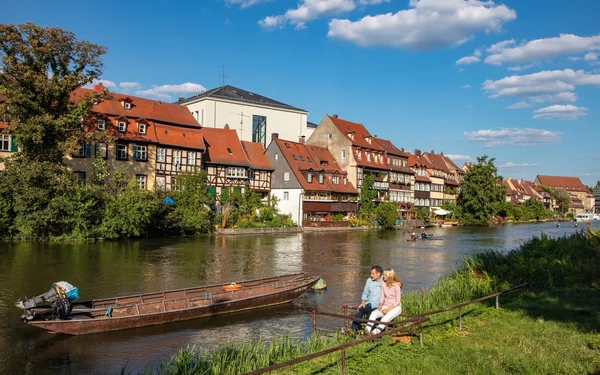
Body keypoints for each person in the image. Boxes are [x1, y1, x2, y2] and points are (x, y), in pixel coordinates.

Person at [365, 268, 402, 335]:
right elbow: (382, 296)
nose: (383, 276)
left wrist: (388, 310)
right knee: (374, 313)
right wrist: (380, 304)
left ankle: (375, 333)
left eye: (385, 275)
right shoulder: (383, 284)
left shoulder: (396, 286)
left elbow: (397, 301)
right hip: (385, 305)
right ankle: (367, 330)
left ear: (389, 276)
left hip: (395, 307)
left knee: (384, 319)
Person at [350, 266, 382, 333]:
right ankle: (354, 329)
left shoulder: (384, 281)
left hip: (378, 305)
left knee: (374, 315)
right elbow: (365, 292)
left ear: (378, 274)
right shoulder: (369, 280)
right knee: (359, 311)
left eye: (373, 274)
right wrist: (363, 302)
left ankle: (371, 333)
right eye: (371, 273)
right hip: (369, 303)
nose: (371, 275)